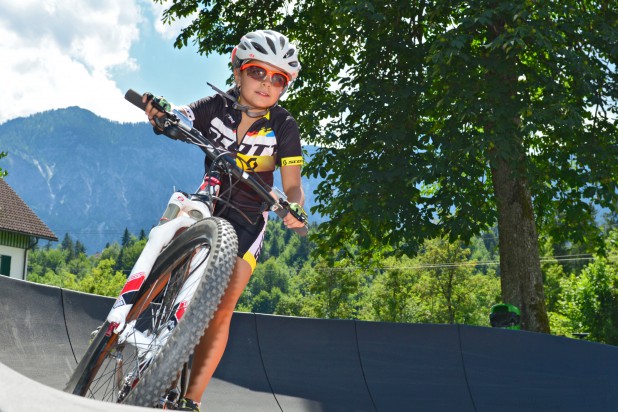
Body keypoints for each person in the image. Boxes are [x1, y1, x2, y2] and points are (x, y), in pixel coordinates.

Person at [142, 29, 307, 411]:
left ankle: (191, 401)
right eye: (257, 72)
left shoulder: (284, 126)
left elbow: (293, 186)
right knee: (168, 232)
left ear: (286, 85)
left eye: (278, 78)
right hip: (209, 198)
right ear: (237, 69)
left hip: (250, 218)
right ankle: (122, 325)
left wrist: (294, 208)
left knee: (222, 309)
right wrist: (162, 114)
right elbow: (182, 116)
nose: (267, 83)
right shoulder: (217, 104)